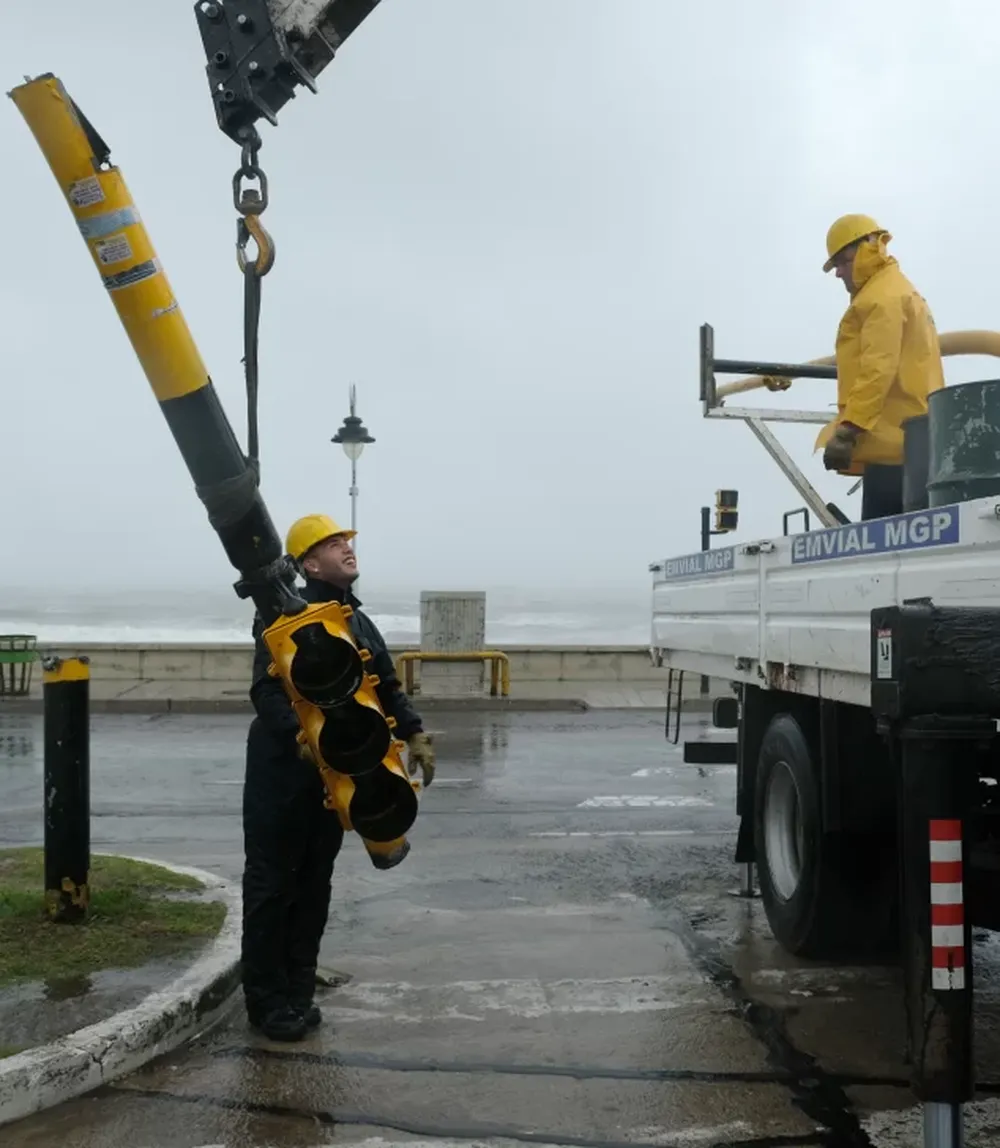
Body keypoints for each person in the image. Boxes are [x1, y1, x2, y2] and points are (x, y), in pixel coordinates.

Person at [240, 512, 435, 1041]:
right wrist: (298, 739)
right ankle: (266, 1003)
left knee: (313, 887)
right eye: (332, 543)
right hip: (282, 776)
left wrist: (414, 733)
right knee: (272, 885)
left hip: (337, 782)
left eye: (347, 540)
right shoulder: (284, 618)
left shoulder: (359, 623)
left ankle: (298, 994)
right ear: (308, 562)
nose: (347, 548)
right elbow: (265, 692)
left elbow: (387, 686)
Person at [815, 213, 944, 520]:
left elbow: (878, 369)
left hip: (894, 445)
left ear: (866, 250)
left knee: (883, 554)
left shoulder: (880, 299)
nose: (838, 274)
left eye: (842, 263)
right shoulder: (902, 290)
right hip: (918, 441)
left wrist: (848, 429)